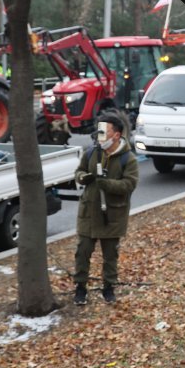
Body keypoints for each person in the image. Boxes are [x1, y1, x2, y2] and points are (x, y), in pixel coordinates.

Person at [73, 111, 140, 305]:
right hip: (89, 213)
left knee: (110, 255)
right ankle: (80, 288)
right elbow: (79, 171)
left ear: (116, 135)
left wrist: (106, 184)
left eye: (105, 131)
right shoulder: (92, 152)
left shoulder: (128, 159)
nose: (100, 135)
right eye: (99, 131)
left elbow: (129, 184)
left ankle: (109, 287)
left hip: (112, 215)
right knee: (82, 252)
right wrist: (82, 177)